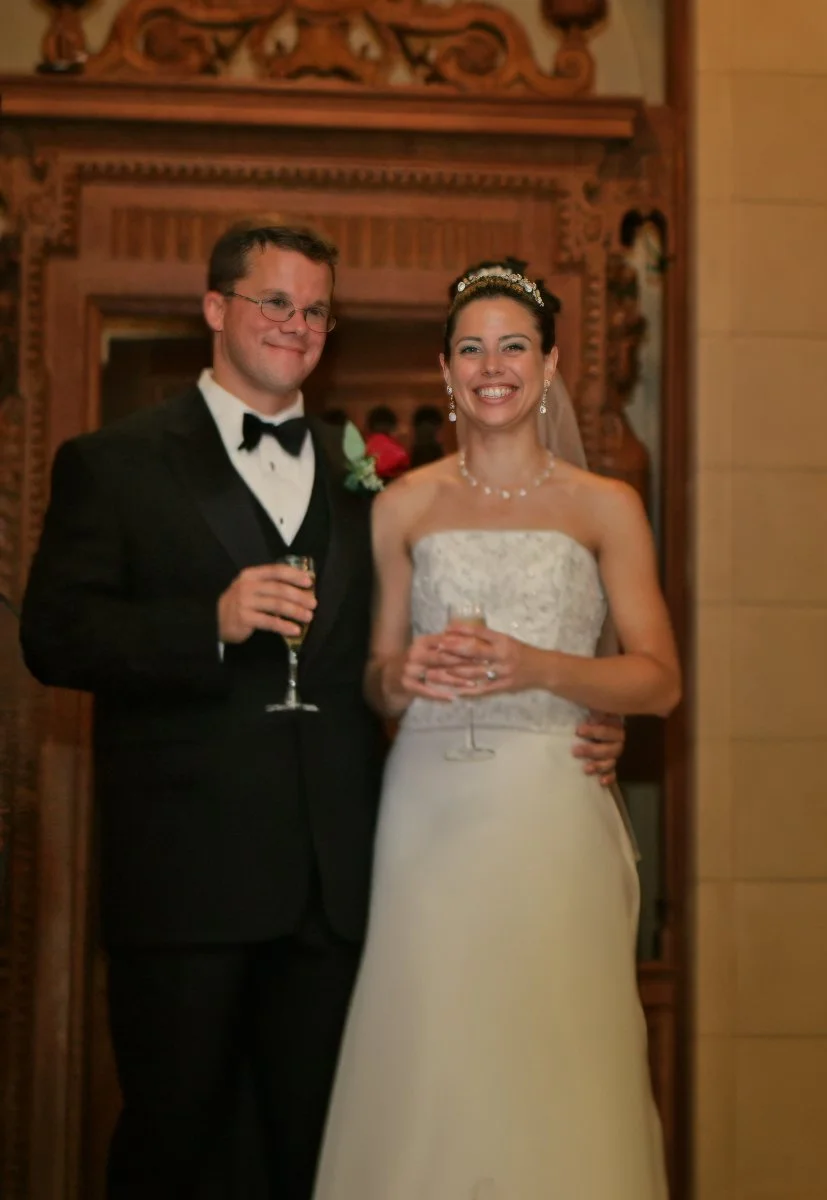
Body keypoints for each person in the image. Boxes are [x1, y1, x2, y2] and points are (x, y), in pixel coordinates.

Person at [18, 220, 624, 1199]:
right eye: (274, 303)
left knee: (322, 1158)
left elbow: (408, 655)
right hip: (188, 883)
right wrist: (206, 622)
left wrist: (586, 714)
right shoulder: (115, 463)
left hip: (341, 890)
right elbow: (52, 637)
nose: (296, 326)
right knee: (176, 1144)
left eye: (314, 311)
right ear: (215, 309)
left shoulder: (369, 484)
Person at [312, 258, 678, 1197]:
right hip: (430, 803)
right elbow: (377, 682)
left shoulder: (608, 508)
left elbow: (659, 680)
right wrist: (400, 674)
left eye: (514, 345)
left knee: (556, 1042)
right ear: (445, 371)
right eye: (470, 348)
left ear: (549, 363)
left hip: (553, 799)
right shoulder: (403, 505)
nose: (492, 365)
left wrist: (540, 667)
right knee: (433, 1041)